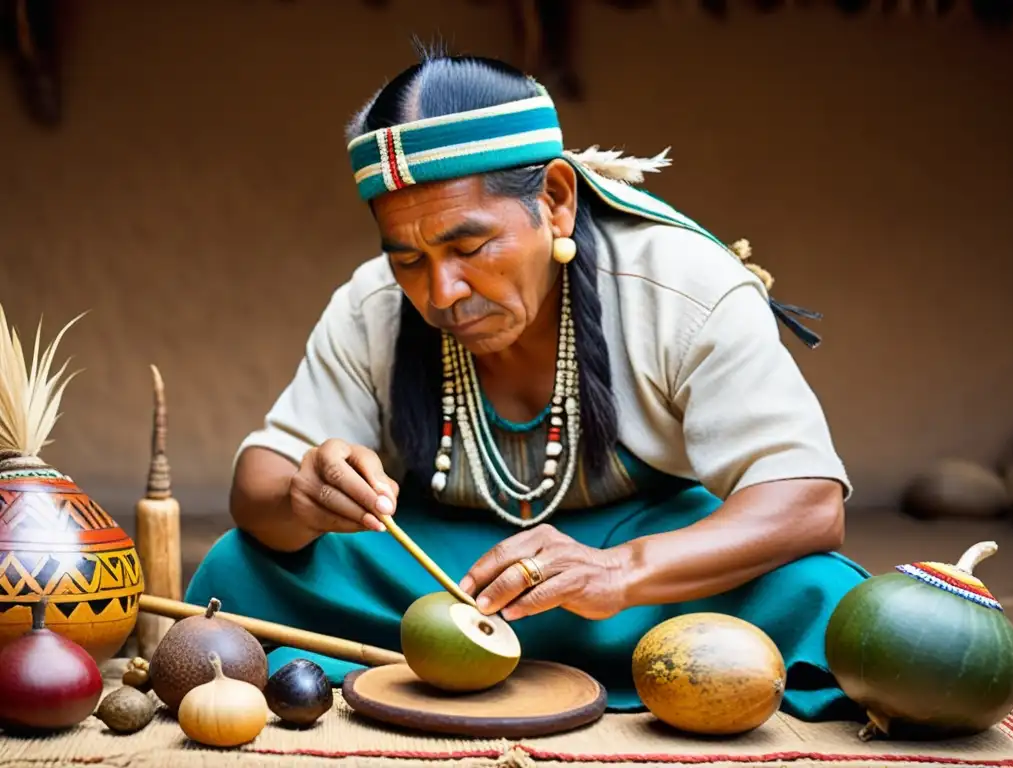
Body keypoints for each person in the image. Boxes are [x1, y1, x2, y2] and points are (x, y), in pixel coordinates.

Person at [185, 51, 871, 721]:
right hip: (442, 585)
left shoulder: (681, 286)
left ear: (556, 200)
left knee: (820, 593)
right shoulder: (374, 306)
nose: (442, 293)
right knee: (240, 567)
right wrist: (304, 495)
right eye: (408, 259)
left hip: (640, 594)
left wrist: (618, 571)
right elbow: (259, 488)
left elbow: (807, 503)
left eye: (470, 247)